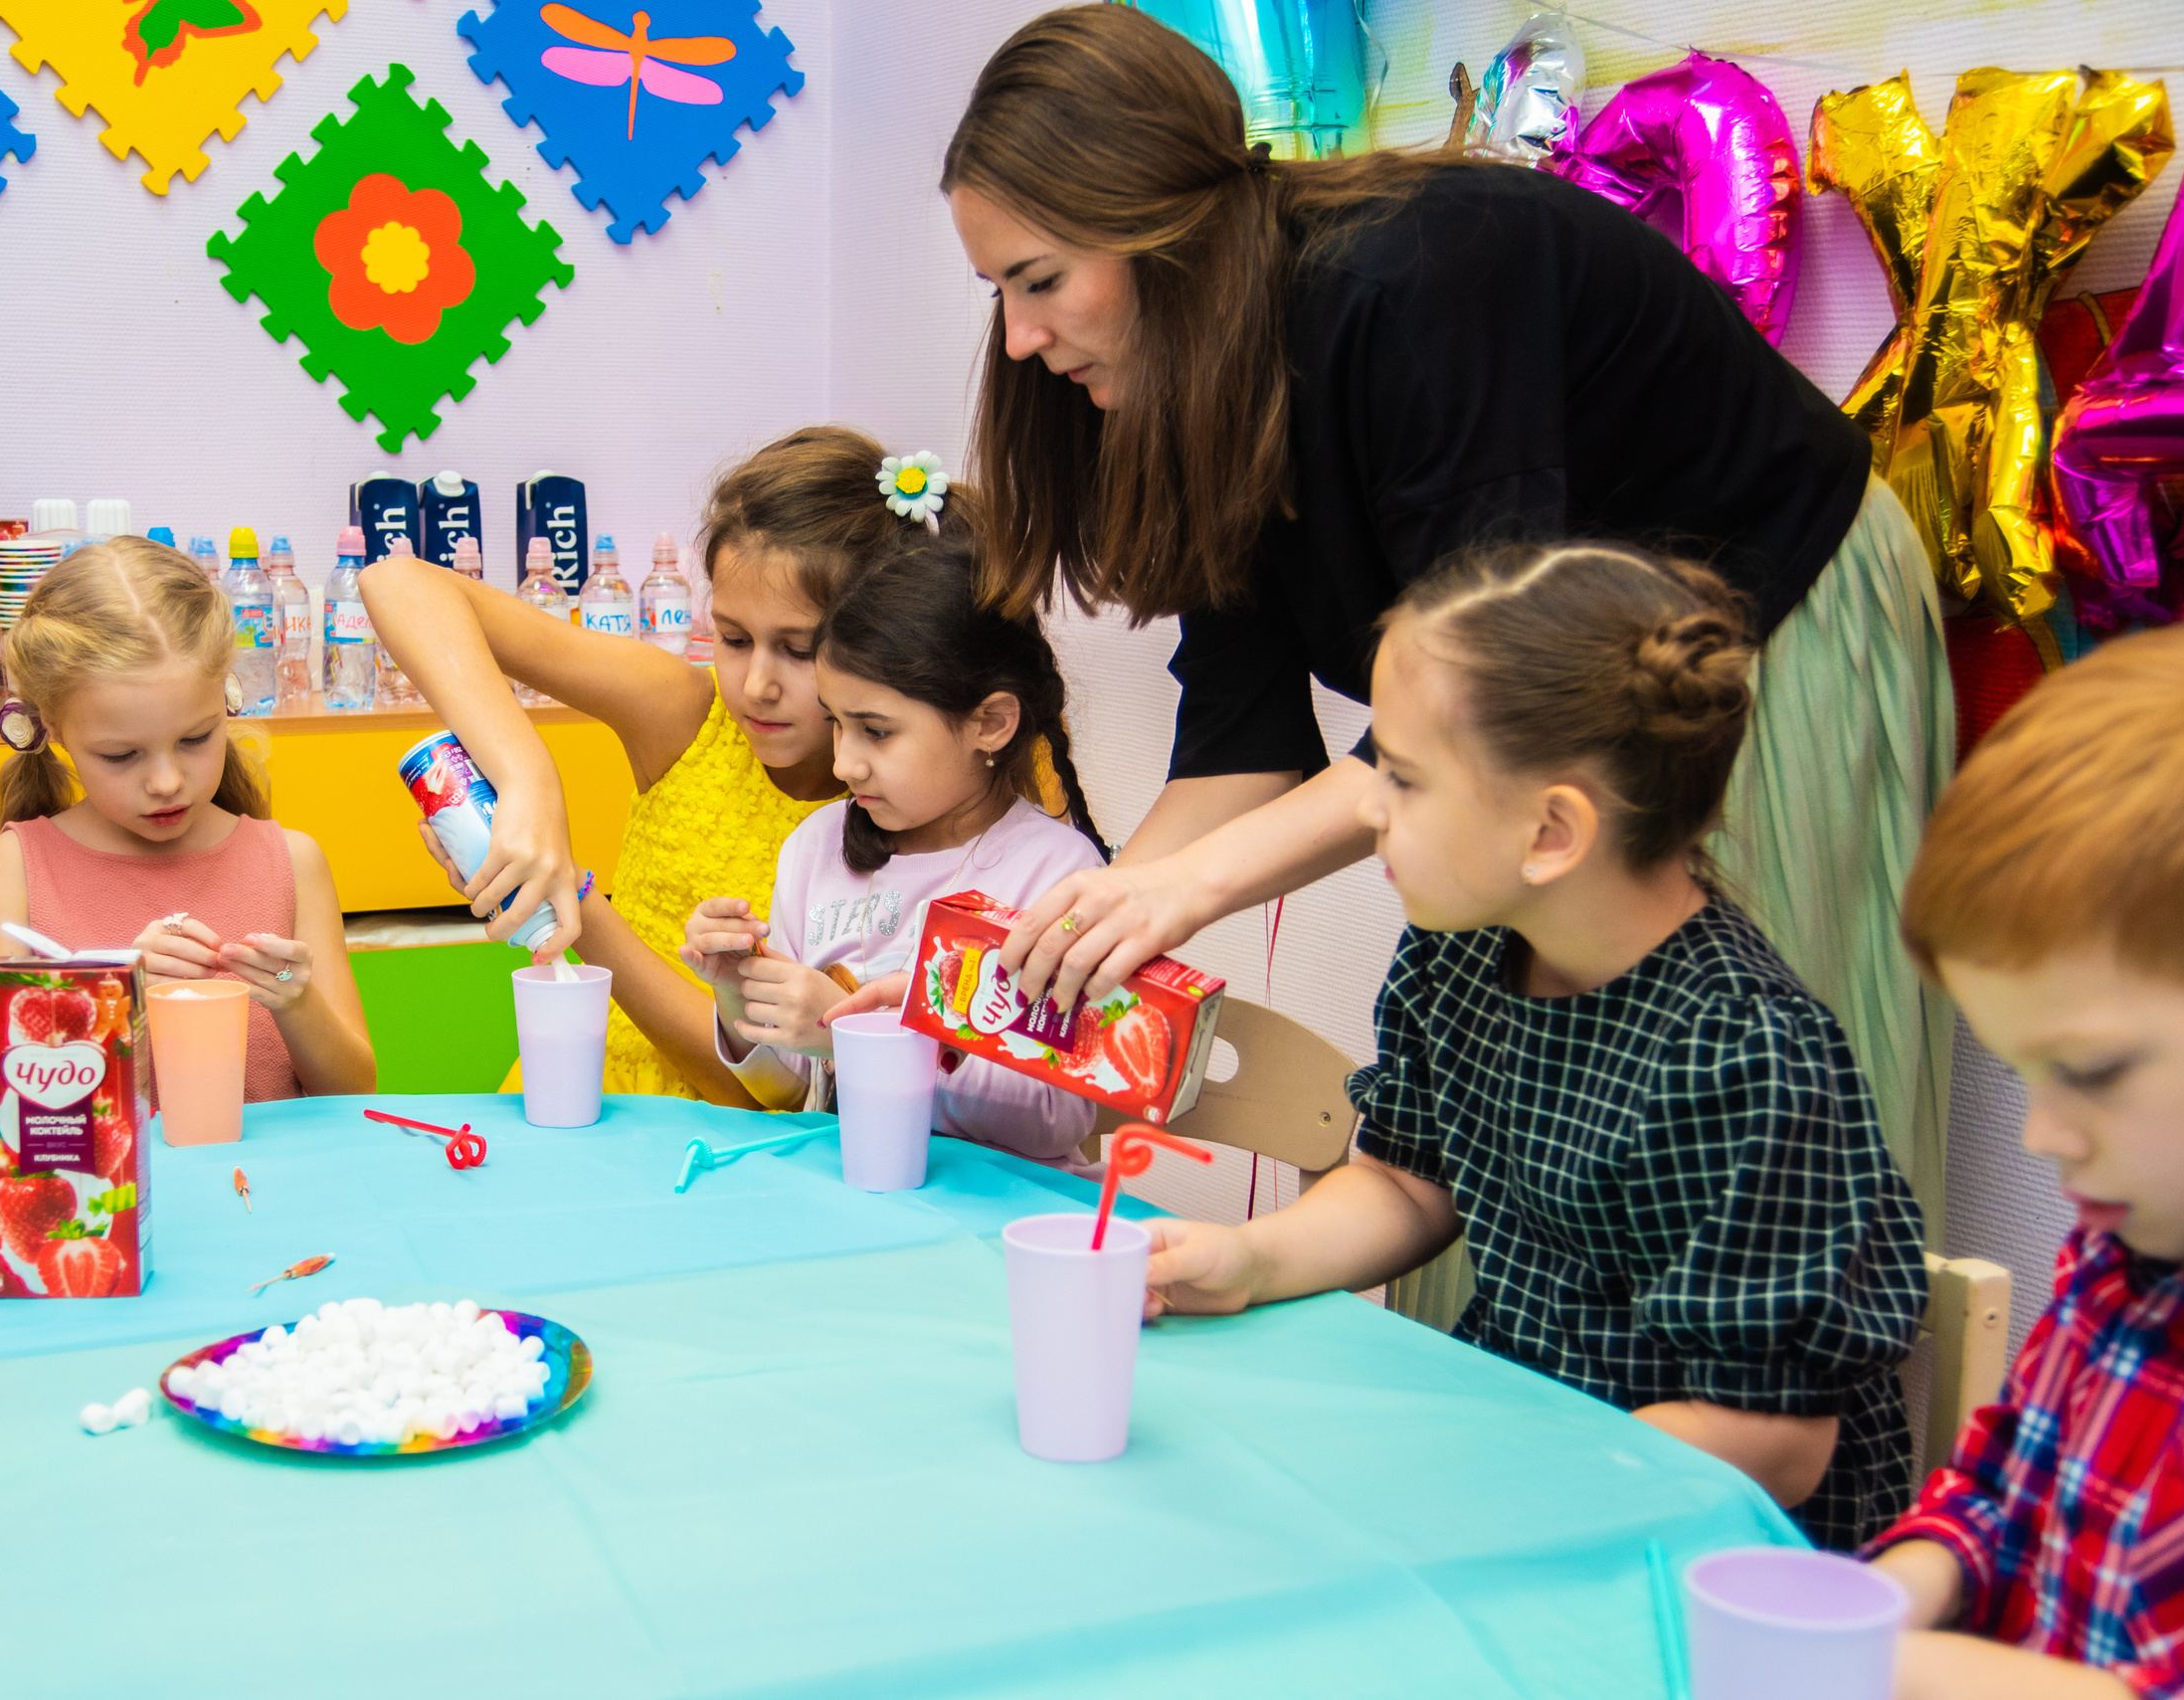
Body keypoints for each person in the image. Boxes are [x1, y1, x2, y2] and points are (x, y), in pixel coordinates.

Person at [925, 4, 1955, 1222]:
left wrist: (1180, 895)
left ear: (1171, 227)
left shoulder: (1415, 281)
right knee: (1473, 1160)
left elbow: (1483, 720)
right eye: (999, 289)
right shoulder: (1201, 387)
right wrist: (1081, 924)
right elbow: (1242, 750)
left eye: (1041, 281)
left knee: (1729, 1173)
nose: (1024, 338)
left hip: (1759, 626)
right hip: (1510, 730)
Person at [1136, 542, 1927, 1550]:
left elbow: (1770, 1441)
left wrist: (1506, 1482)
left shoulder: (1745, 1053)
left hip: (1696, 1539)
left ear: (1551, 830)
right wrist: (1247, 1258)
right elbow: (1404, 1181)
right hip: (1523, 1456)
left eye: (1405, 780)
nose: (1367, 807)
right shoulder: (1458, 945)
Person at [365, 428, 964, 1107]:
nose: (757, 684)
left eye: (798, 650)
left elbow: (761, 1089)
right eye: (734, 639)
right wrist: (528, 780)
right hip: (579, 1097)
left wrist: (570, 898)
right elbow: (397, 581)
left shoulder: (919, 805)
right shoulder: (687, 716)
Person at [1865, 624, 2184, 1700]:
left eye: (2095, 1070)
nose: (2042, 1135)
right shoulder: (2118, 1248)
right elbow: (1995, 1487)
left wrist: (1897, 1667)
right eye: (2027, 1072)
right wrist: (1895, 1592)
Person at [681, 533, 1107, 1161]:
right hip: (854, 1195)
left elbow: (1054, 1117)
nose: (845, 763)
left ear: (990, 723)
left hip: (995, 1214)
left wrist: (858, 1038)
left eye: (876, 732)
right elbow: (790, 1089)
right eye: (837, 723)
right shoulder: (814, 849)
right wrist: (736, 996)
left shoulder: (1057, 875)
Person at [0, 537, 374, 1120]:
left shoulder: (292, 862)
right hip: (109, 1205)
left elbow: (355, 1094)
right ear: (51, 727)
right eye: (121, 755)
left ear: (227, 697)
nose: (166, 781)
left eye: (196, 739)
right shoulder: (21, 865)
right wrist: (114, 1001)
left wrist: (297, 1004)